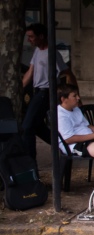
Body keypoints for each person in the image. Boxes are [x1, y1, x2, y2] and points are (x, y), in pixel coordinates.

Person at [21, 23, 76, 160]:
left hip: (46, 92)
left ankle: (31, 162)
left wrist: (73, 93)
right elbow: (31, 71)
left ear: (41, 36)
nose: (29, 40)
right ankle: (62, 144)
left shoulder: (52, 53)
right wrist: (20, 87)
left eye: (32, 37)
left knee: (27, 127)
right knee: (38, 126)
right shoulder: (37, 51)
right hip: (37, 90)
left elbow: (67, 73)